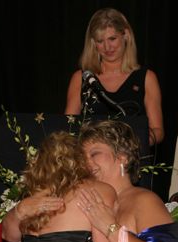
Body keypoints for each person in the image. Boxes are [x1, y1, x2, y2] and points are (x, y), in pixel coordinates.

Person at [65, 8, 164, 146]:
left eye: (112, 39)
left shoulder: (147, 78)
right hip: (89, 162)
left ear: (126, 35)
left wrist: (133, 146)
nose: (107, 47)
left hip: (130, 161)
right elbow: (67, 128)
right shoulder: (81, 78)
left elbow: (157, 131)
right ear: (93, 43)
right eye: (100, 41)